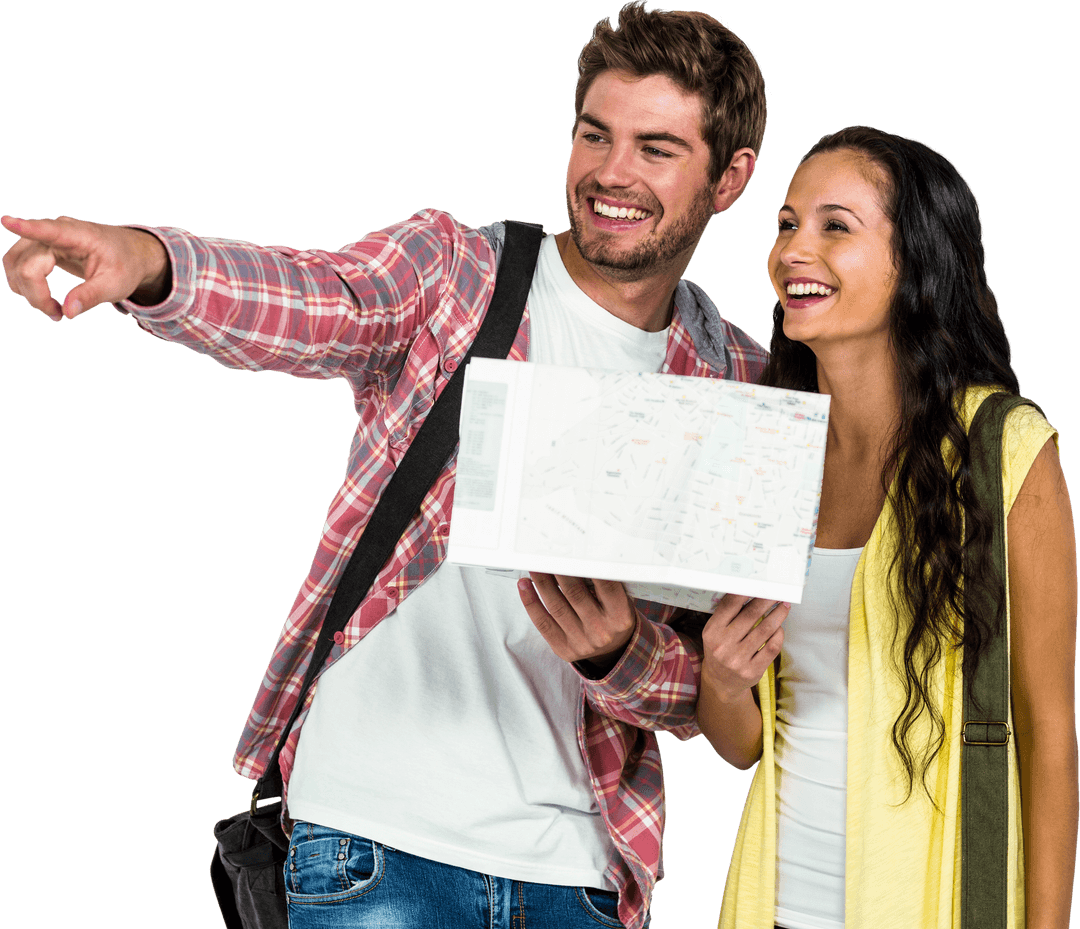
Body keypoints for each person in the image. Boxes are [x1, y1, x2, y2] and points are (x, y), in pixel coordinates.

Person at [1, 3, 768, 927]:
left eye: (656, 149)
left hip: (578, 872)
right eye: (595, 133)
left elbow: (711, 691)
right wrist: (152, 263)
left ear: (729, 179)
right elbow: (318, 302)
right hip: (373, 843)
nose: (611, 172)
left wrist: (617, 651)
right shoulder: (460, 274)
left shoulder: (733, 381)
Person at [696, 125, 1078, 928]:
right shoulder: (770, 451)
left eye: (837, 225)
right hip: (774, 902)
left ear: (919, 262)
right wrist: (723, 681)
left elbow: (1046, 728)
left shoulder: (1003, 451)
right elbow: (743, 743)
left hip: (933, 902)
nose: (795, 248)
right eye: (787, 223)